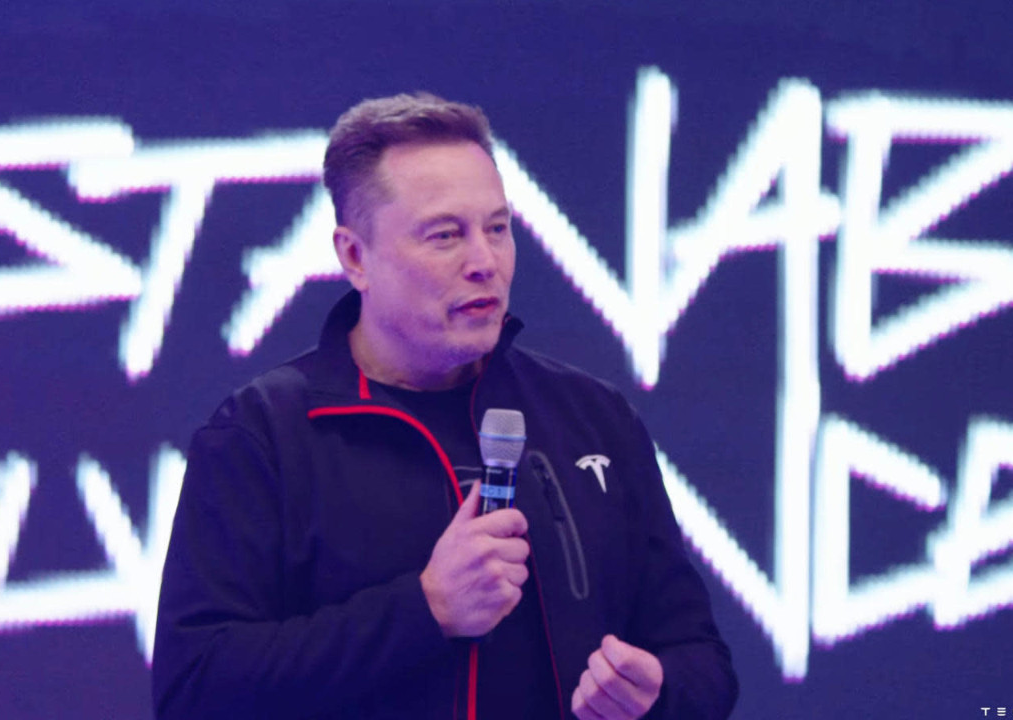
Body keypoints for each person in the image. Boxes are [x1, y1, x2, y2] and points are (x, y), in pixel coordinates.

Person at [152, 92, 738, 720]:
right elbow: (195, 689)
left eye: (498, 229)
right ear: (355, 257)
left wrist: (658, 693)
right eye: (445, 236)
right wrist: (424, 609)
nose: (485, 262)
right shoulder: (264, 436)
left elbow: (701, 660)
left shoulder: (592, 419)